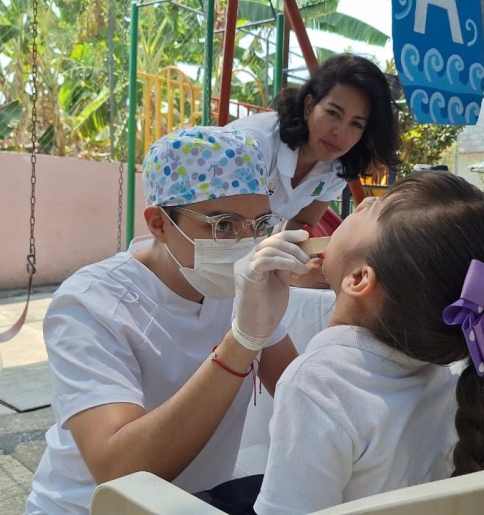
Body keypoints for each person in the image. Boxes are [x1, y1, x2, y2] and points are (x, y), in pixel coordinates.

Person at [201, 171, 484, 515]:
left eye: (373, 209)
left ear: (358, 278)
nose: (364, 199)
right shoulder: (445, 371)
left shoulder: (313, 384)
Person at [25, 126, 313, 515]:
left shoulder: (247, 285)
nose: (246, 243)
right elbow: (118, 470)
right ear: (158, 223)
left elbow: (303, 396)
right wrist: (242, 341)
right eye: (223, 225)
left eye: (260, 224)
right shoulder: (92, 303)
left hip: (193, 504)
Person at [226, 53, 401, 288]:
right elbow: (230, 234)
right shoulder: (255, 146)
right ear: (309, 106)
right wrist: (288, 271)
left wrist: (303, 262)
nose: (340, 132)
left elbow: (302, 223)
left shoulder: (337, 165)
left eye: (357, 124)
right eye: (333, 113)